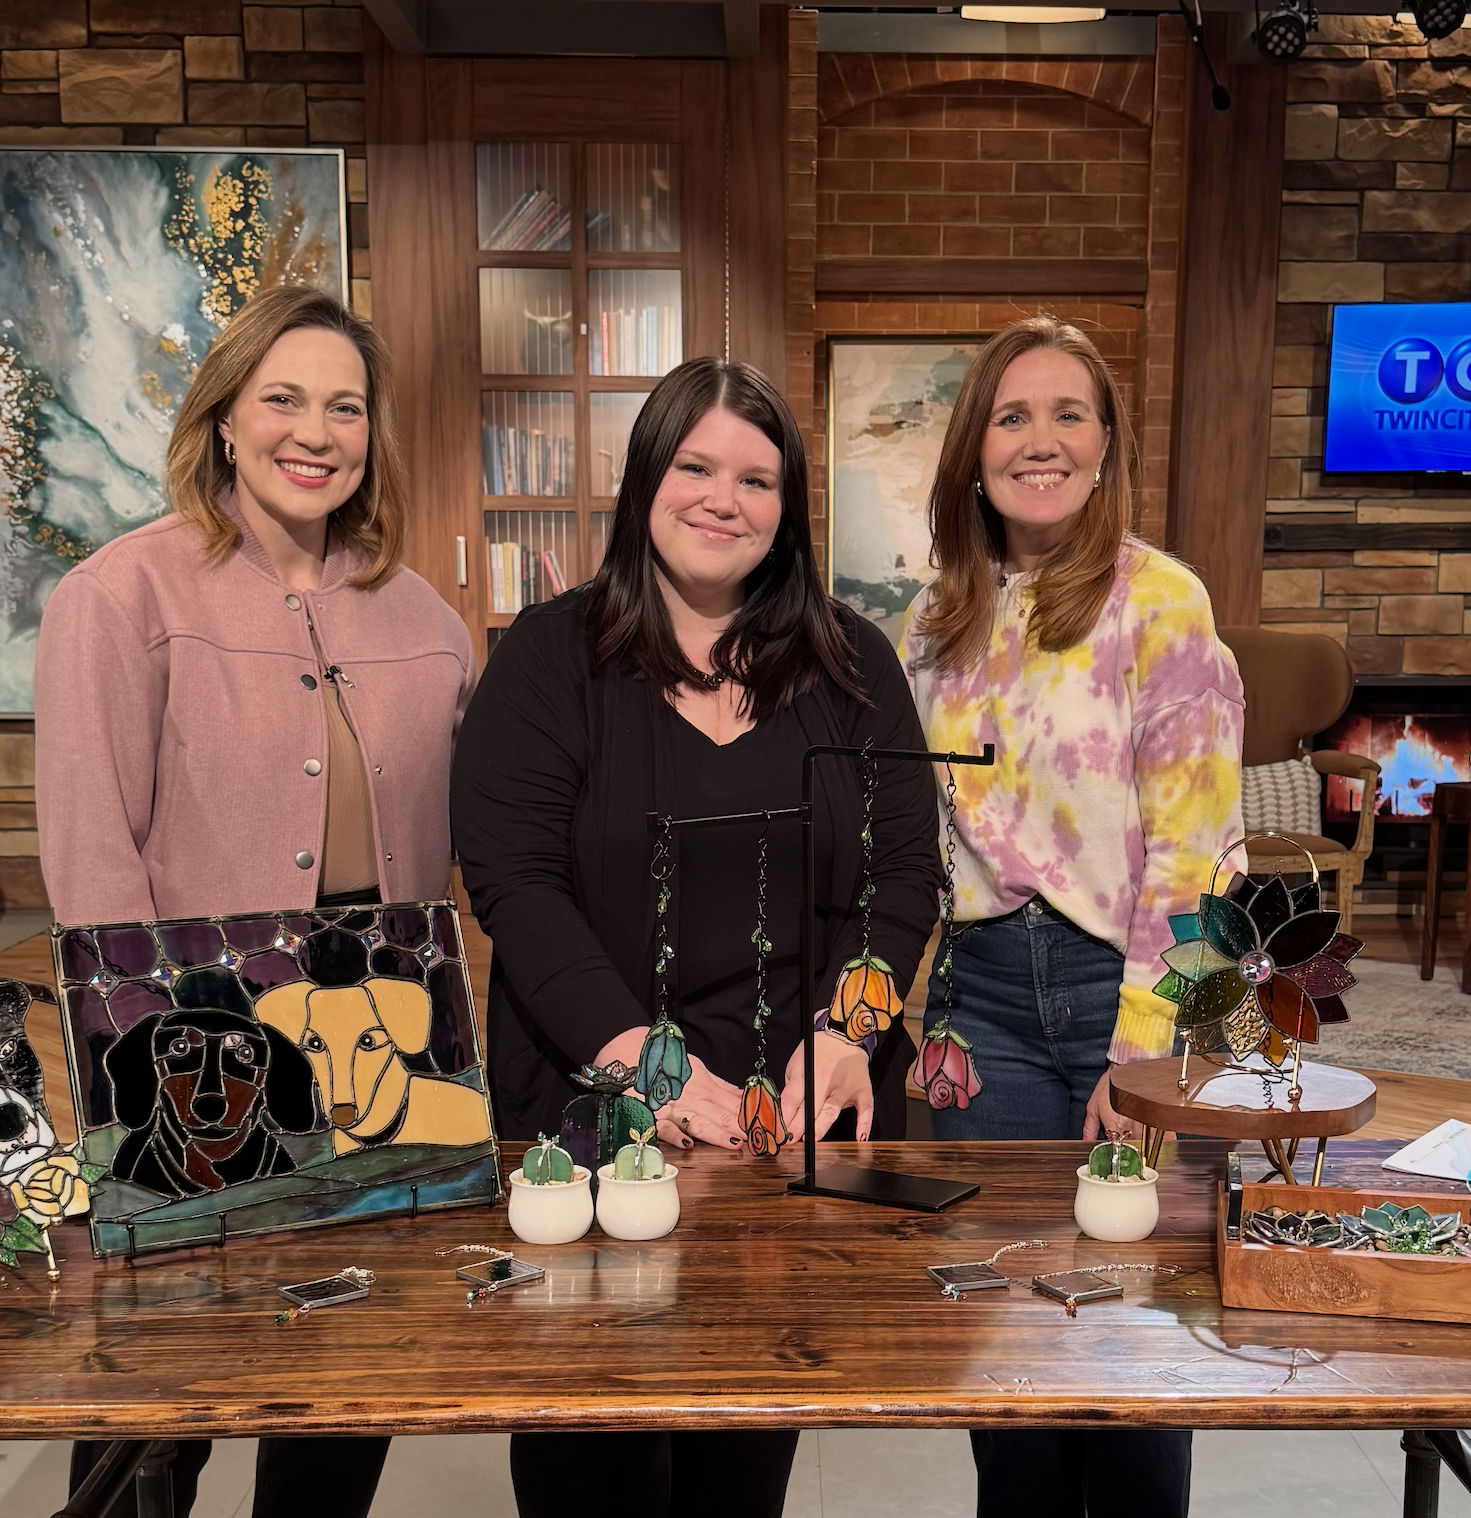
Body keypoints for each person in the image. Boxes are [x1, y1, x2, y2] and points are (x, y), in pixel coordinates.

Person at [453, 356, 940, 1518]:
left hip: (784, 1128)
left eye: (758, 479)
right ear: (645, 479)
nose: (724, 499)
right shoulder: (547, 655)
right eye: (696, 466)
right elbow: (512, 885)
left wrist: (848, 1032)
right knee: (594, 1454)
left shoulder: (851, 662)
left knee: (741, 1452)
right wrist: (647, 1065)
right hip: (590, 1106)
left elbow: (902, 876)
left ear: (788, 508)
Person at [35, 283, 473, 1518]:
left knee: (344, 1380)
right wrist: (141, 1086)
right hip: (190, 1064)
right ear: (224, 419)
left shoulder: (428, 618)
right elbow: (91, 866)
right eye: (282, 398)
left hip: (371, 1058)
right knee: (158, 1406)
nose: (314, 430)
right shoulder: (121, 596)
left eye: (345, 406)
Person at [901, 315, 1245, 1518]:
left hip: (1127, 987)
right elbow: (922, 836)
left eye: (1067, 415)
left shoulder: (1162, 605)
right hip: (980, 1001)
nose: (1037, 440)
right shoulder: (936, 620)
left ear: (1105, 447)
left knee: (1140, 1347)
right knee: (1006, 1349)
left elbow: (1192, 850)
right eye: (1010, 415)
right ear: (973, 449)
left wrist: (1146, 1045)